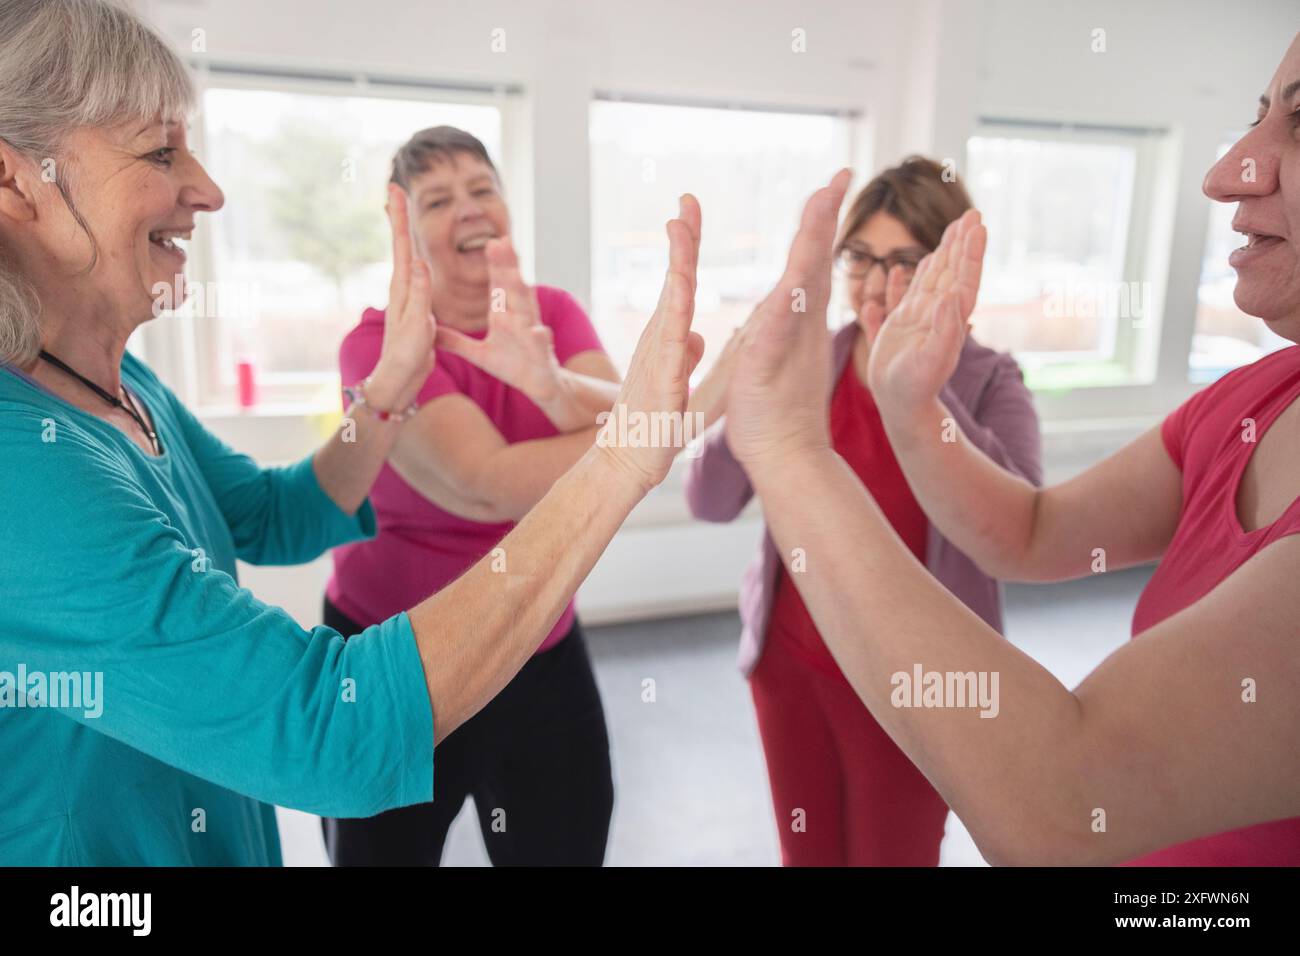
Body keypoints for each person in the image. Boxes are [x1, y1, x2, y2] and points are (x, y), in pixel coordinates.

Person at [0, 0, 706, 866]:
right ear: (14, 183)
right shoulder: (18, 469)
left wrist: (387, 393)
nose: (209, 190)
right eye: (158, 152)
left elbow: (273, 515)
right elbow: (327, 731)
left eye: (482, 187)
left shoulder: (124, 385)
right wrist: (624, 452)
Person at [719, 31, 1300, 865]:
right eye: (1256, 115)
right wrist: (906, 403)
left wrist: (787, 446)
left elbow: (1067, 802)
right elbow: (1031, 531)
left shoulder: (989, 375)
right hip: (802, 663)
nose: (1226, 171)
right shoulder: (1248, 403)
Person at [321, 127, 729, 866]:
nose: (470, 209)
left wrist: (552, 383)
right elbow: (484, 483)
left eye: (483, 188)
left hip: (537, 638)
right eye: (440, 199)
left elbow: (636, 428)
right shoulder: (378, 347)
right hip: (397, 660)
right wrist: (643, 428)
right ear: (408, 234)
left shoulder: (555, 314)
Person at [684, 158, 1041, 866]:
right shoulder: (811, 362)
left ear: (947, 269)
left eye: (906, 262)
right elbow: (711, 501)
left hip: (920, 688)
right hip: (793, 670)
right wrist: (750, 389)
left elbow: (1023, 526)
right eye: (864, 260)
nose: (880, 286)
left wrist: (922, 391)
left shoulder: (989, 378)